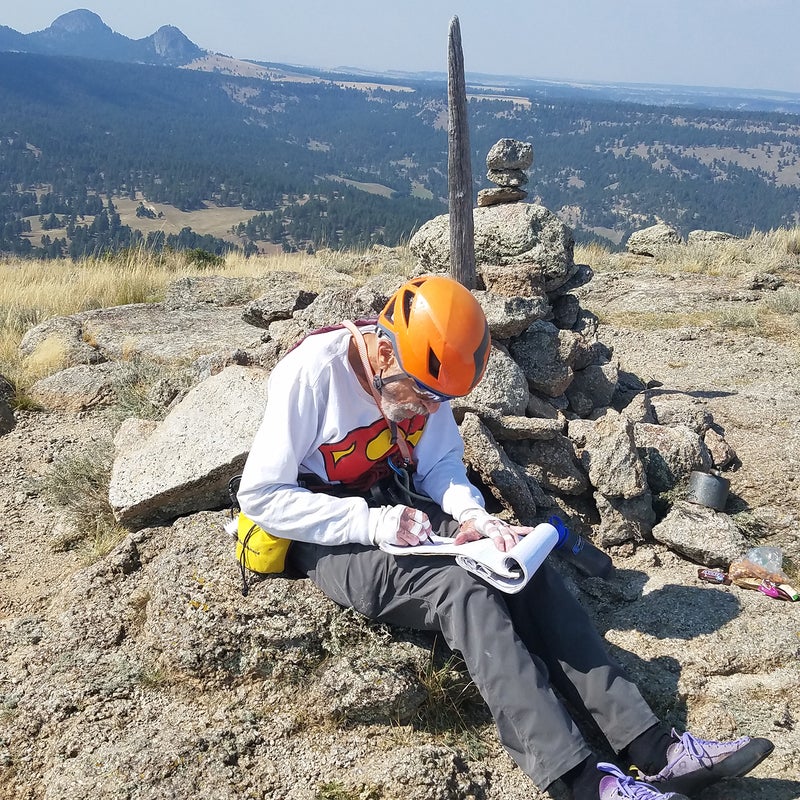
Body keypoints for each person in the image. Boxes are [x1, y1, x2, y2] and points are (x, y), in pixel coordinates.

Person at [238, 274, 773, 799]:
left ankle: (655, 748)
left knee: (519, 563)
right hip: (329, 535)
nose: (429, 410)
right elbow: (261, 495)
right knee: (461, 589)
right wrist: (370, 524)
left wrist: (474, 516)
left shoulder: (429, 384)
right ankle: (585, 782)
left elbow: (441, 464)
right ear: (383, 353)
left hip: (396, 505)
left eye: (439, 400)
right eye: (422, 395)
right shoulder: (312, 375)